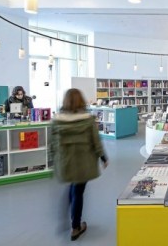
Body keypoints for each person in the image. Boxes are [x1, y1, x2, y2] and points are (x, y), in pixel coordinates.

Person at [50, 88, 109, 241]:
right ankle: (75, 226)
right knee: (78, 192)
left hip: (66, 162)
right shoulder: (87, 120)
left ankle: (67, 219)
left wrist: (53, 161)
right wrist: (103, 157)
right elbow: (96, 141)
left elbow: (52, 144)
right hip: (83, 162)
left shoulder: (57, 120)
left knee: (73, 188)